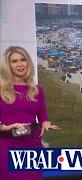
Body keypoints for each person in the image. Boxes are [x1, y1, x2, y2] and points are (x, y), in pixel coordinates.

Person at [0, 46, 61, 180]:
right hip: (6, 147)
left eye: (23, 60)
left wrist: (45, 124)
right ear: (7, 65)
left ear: (28, 62)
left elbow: (43, 117)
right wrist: (7, 127)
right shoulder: (1, 90)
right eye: (14, 61)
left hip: (32, 145)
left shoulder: (37, 90)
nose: (20, 64)